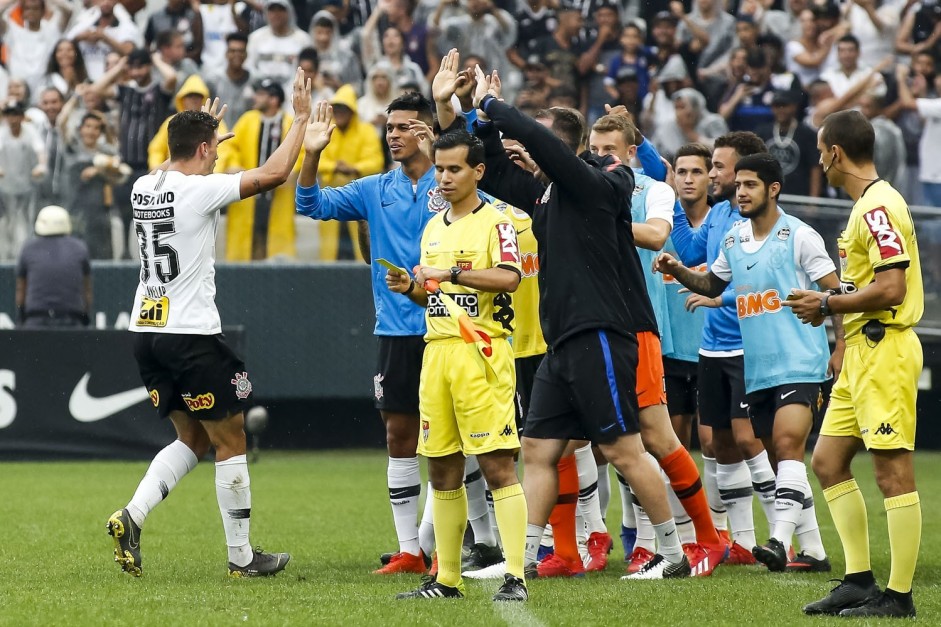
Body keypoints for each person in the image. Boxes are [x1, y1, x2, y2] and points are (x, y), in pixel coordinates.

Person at [470, 67, 691, 581]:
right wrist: (479, 120)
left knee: (622, 449)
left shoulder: (604, 183)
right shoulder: (551, 196)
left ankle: (673, 555)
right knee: (538, 449)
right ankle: (523, 559)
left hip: (599, 333)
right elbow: (498, 175)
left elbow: (548, 151)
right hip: (563, 341)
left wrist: (496, 107)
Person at [106, 68, 311, 579]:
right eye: (213, 149)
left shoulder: (142, 186)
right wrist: (301, 121)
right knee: (231, 439)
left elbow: (178, 161)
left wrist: (201, 132)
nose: (218, 155)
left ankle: (131, 516)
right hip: (190, 335)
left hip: (146, 333)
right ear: (200, 151)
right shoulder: (199, 192)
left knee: (192, 441)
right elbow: (274, 174)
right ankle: (242, 559)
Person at [654, 152, 835, 574]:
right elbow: (711, 283)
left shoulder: (800, 236)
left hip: (802, 363)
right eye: (738, 186)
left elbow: (835, 292)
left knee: (789, 447)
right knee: (778, 460)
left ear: (773, 189)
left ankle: (777, 539)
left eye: (750, 185)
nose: (741, 193)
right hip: (758, 369)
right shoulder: (734, 239)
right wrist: (678, 269)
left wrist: (840, 345)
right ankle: (815, 552)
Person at [377, 130, 528, 602]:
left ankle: (516, 576)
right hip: (437, 352)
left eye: (454, 169)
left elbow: (510, 278)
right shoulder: (434, 226)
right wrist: (411, 287)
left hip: (482, 353)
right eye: (439, 169)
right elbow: (434, 294)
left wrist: (452, 273)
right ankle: (446, 580)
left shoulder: (497, 222)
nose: (443, 178)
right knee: (442, 468)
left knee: (497, 464)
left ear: (478, 172)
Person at [295, 91, 440, 576]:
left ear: (426, 131)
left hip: (453, 327)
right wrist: (312, 152)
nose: (393, 135)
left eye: (403, 127)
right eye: (389, 127)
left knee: (461, 439)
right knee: (399, 434)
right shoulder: (374, 188)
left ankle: (462, 542)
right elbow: (308, 203)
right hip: (398, 332)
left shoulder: (458, 180)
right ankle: (410, 550)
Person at [786, 110, 923, 618]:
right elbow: (867, 284)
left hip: (885, 349)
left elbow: (891, 288)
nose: (819, 159)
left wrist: (826, 305)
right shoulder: (867, 205)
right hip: (863, 351)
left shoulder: (878, 209)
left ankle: (899, 596)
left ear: (834, 153)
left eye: (822, 150)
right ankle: (859, 581)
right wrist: (837, 315)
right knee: (826, 462)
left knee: (892, 473)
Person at [667, 131, 778, 566]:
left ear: (744, 173)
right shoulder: (716, 218)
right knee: (715, 443)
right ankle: (741, 542)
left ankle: (785, 537)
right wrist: (674, 200)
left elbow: (761, 282)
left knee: (752, 441)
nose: (711, 173)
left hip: (747, 343)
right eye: (704, 166)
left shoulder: (753, 223)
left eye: (716, 166)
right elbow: (696, 251)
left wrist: (718, 297)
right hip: (712, 345)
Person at [224, 79, 300, 261]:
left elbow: (300, 151)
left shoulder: (289, 123)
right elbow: (231, 146)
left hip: (278, 196)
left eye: (261, 94)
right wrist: (233, 163)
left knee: (274, 243)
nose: (255, 98)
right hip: (249, 196)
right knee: (248, 243)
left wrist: (292, 170)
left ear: (273, 99)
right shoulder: (247, 120)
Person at [314, 85, 385, 262]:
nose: (339, 113)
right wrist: (335, 166)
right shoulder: (326, 131)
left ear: (352, 111)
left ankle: (362, 272)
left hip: (360, 197)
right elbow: (314, 159)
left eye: (344, 109)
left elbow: (376, 160)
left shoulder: (366, 131)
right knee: (329, 247)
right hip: (330, 197)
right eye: (336, 109)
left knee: (362, 239)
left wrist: (354, 168)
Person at [15, 205, 91, 328]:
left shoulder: (28, 249)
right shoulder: (80, 248)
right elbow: (86, 291)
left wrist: (21, 319)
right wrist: (85, 318)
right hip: (72, 322)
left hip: (35, 322)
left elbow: (21, 291)